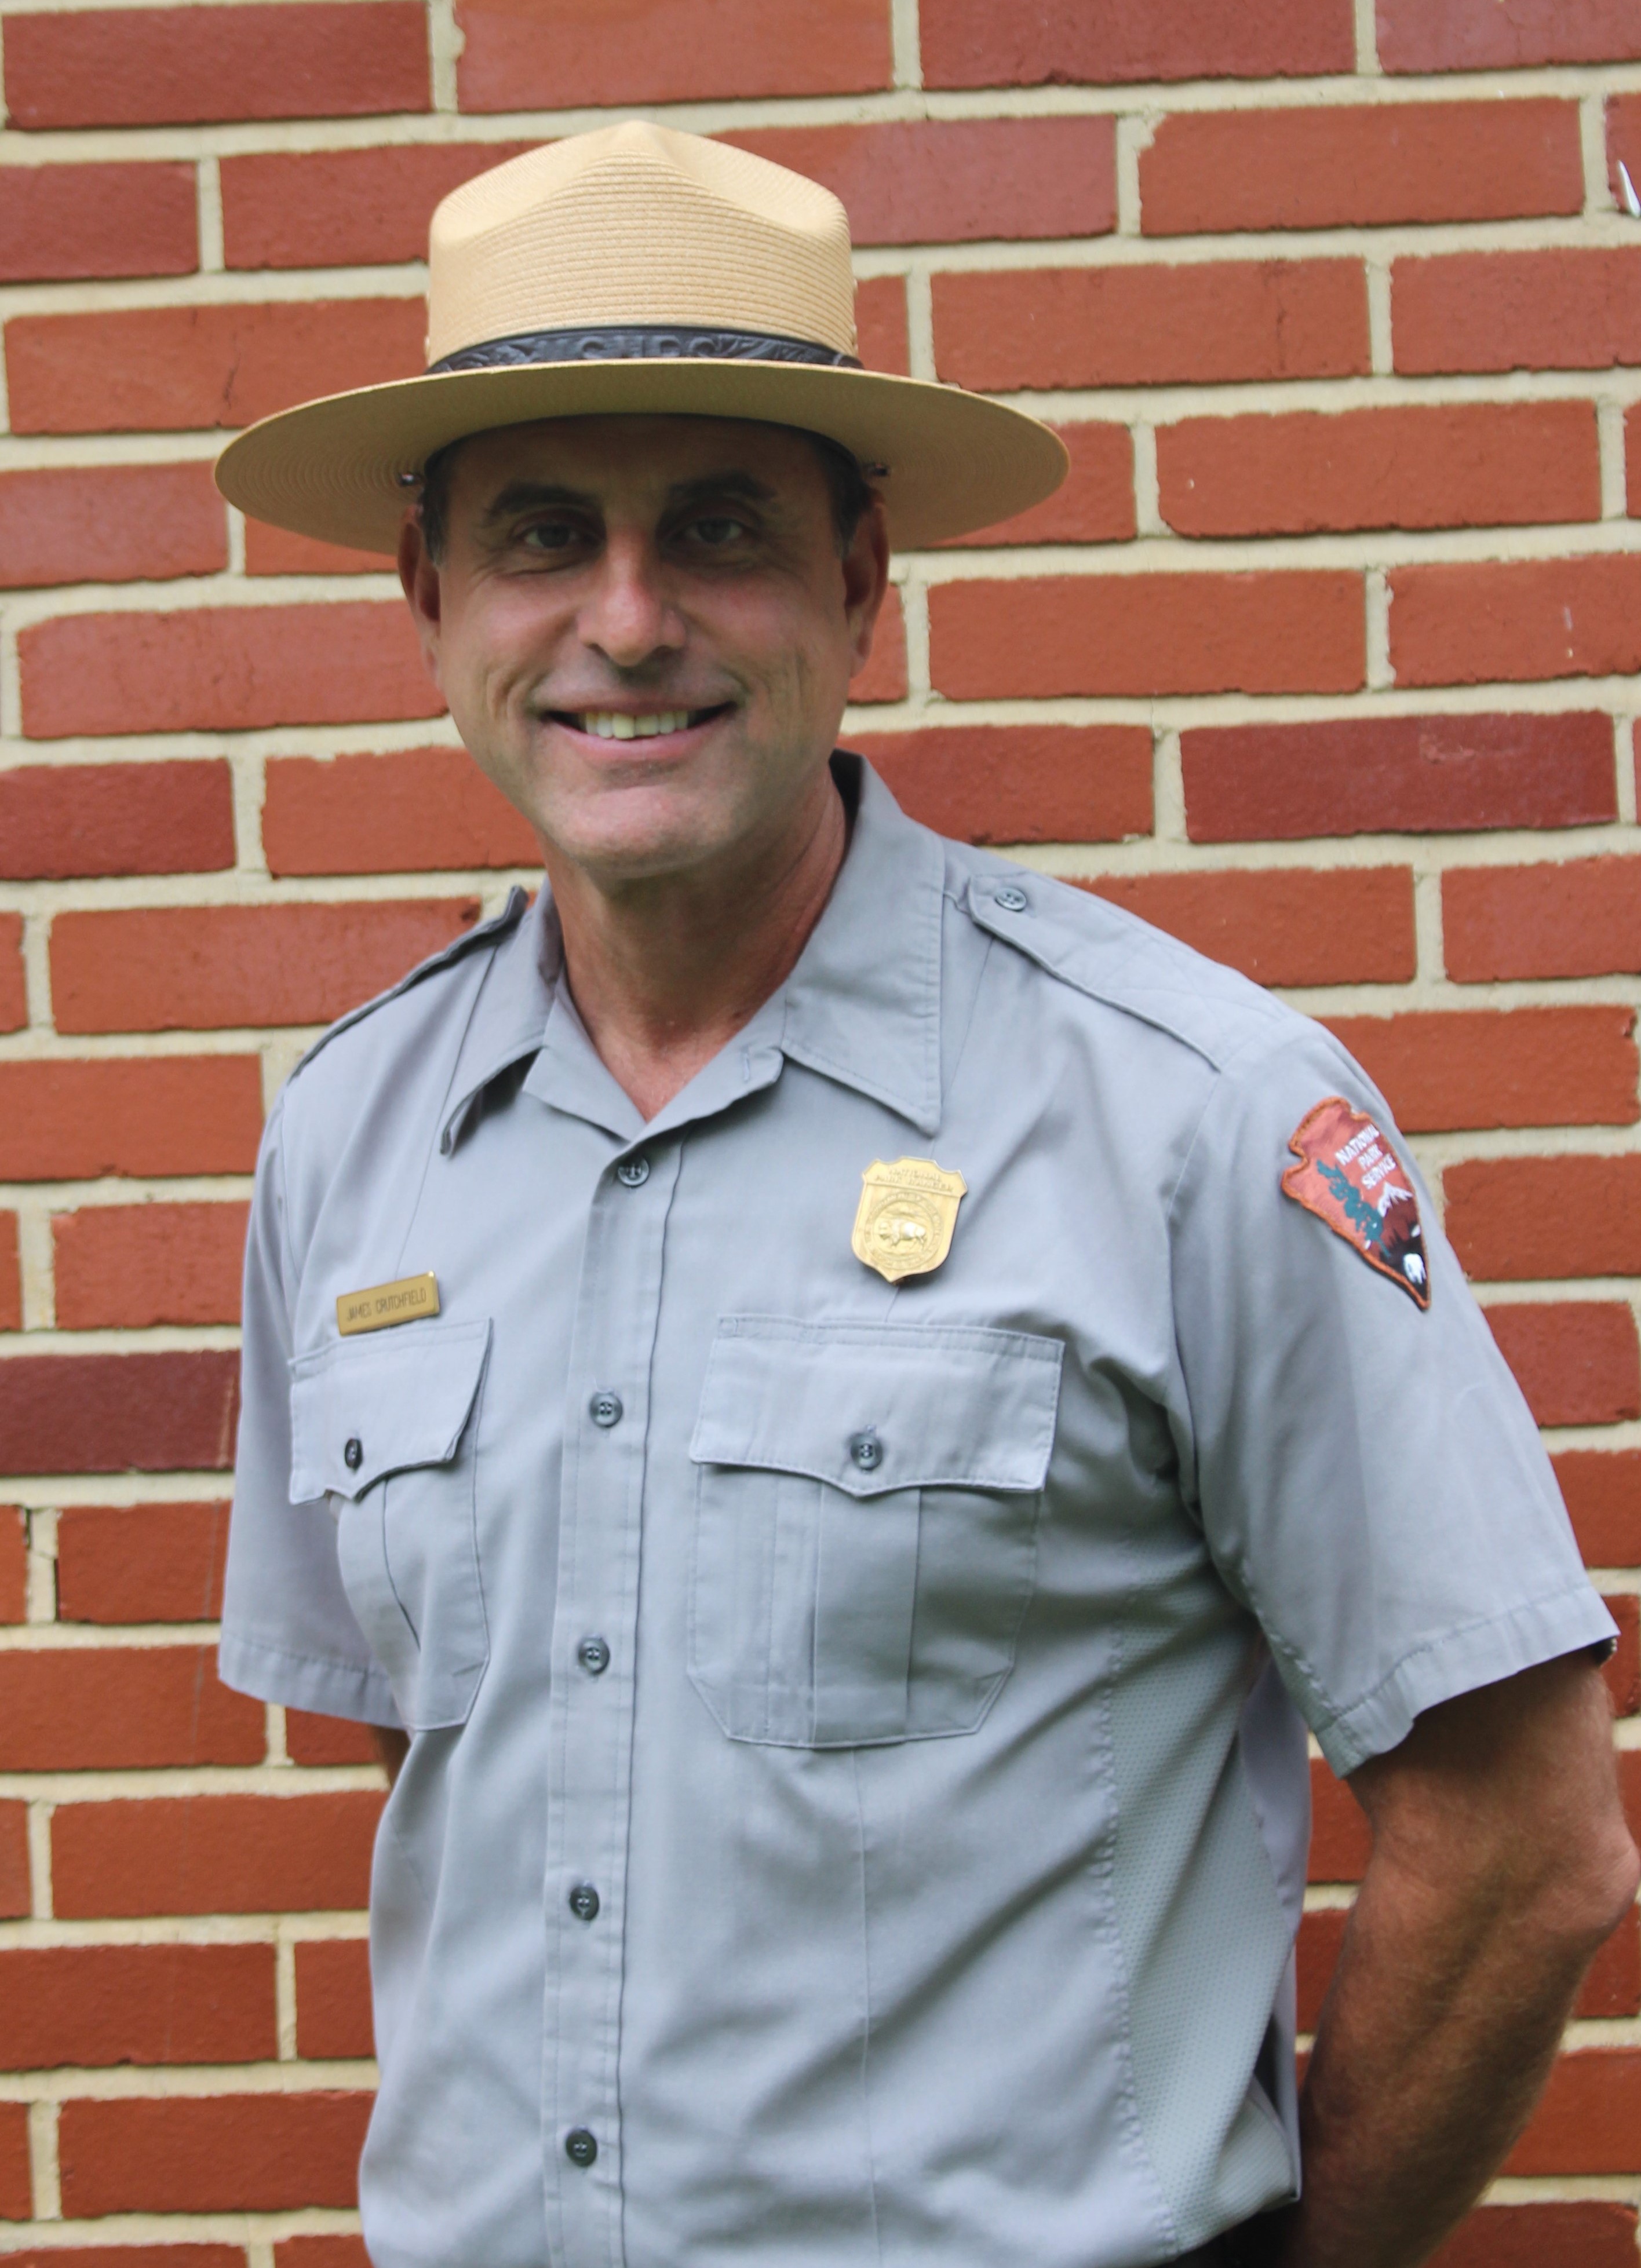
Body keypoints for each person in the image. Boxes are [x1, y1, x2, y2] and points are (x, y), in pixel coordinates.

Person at [216, 124, 1637, 2268]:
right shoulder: (352, 1137)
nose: (626, 620)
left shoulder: (1190, 1109)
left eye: (717, 528)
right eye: (541, 536)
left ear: (861, 581)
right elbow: (447, 1765)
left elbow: (1528, 1835)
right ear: (431, 600)